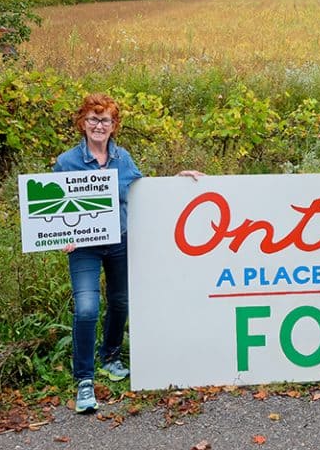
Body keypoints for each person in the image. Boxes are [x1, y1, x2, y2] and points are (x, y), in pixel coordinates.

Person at [54, 93, 202, 413]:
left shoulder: (123, 159)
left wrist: (176, 182)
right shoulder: (66, 162)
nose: (98, 125)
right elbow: (53, 209)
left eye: (105, 119)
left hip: (120, 242)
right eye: (93, 119)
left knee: (121, 301)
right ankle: (84, 379)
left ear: (114, 125)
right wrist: (62, 235)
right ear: (82, 122)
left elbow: (142, 191)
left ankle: (110, 356)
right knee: (87, 307)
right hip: (84, 248)